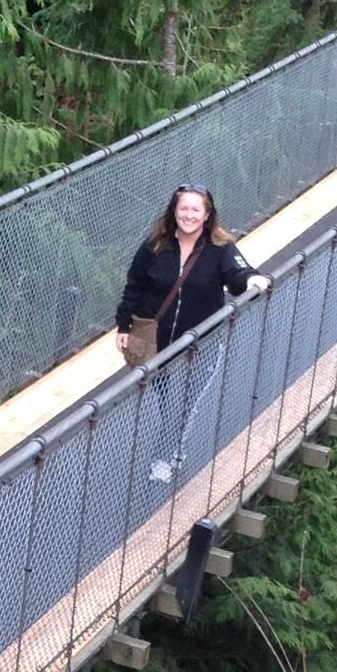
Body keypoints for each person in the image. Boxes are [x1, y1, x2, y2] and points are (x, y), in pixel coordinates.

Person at [115, 185, 269, 482]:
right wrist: (124, 326)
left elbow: (238, 274)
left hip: (203, 341)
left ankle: (165, 457)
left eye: (195, 210)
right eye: (183, 209)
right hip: (157, 341)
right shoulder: (155, 246)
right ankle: (169, 446)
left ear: (207, 214)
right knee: (164, 401)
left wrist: (252, 279)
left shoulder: (220, 247)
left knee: (185, 403)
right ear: (174, 211)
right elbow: (134, 285)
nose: (188, 215)